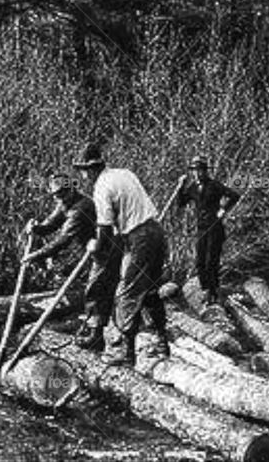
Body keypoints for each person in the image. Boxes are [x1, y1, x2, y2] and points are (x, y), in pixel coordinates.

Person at [73, 143, 170, 366]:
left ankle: (125, 353)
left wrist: (95, 246)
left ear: (91, 170)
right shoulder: (124, 173)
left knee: (126, 292)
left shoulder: (101, 187)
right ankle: (162, 344)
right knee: (150, 290)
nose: (83, 176)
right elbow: (124, 214)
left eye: (84, 171)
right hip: (156, 232)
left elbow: (105, 228)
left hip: (139, 238)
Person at [21, 174, 120, 351]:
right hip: (95, 250)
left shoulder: (81, 208)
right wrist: (37, 228)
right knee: (103, 287)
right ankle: (101, 326)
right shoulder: (65, 204)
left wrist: (35, 256)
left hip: (108, 249)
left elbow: (63, 240)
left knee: (95, 290)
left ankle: (96, 337)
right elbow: (51, 224)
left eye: (62, 194)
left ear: (71, 190)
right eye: (56, 195)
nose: (59, 198)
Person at [173, 156, 241, 305]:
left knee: (212, 261)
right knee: (199, 262)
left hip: (215, 227)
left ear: (204, 171)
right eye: (194, 171)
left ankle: (213, 291)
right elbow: (181, 203)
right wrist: (180, 187)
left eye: (199, 170)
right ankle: (205, 289)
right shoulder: (192, 187)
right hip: (201, 228)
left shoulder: (214, 185)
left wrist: (224, 209)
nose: (197, 174)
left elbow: (235, 195)